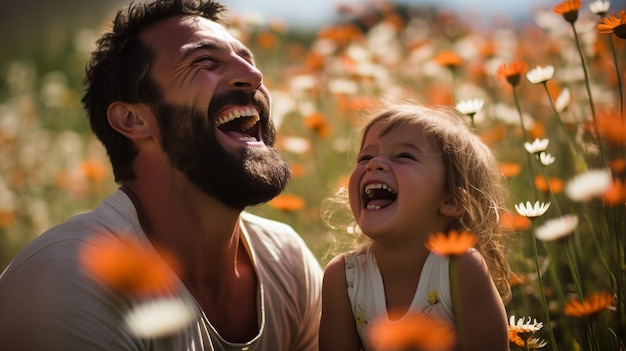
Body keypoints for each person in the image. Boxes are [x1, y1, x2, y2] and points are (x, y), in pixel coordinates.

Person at [0, 0, 322, 350]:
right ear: (134, 120)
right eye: (204, 61)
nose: (255, 76)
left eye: (248, 59)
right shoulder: (71, 278)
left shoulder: (286, 259)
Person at [319, 103, 511, 350]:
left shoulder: (459, 267)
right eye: (365, 156)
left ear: (452, 200)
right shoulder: (343, 278)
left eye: (404, 156)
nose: (373, 164)